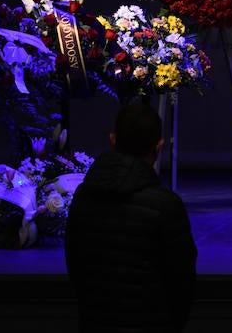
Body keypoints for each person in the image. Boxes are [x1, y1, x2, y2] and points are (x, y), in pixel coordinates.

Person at [65, 101, 197, 333]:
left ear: (113, 140)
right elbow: (181, 284)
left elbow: (75, 270)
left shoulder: (83, 197)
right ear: (158, 148)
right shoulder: (166, 206)